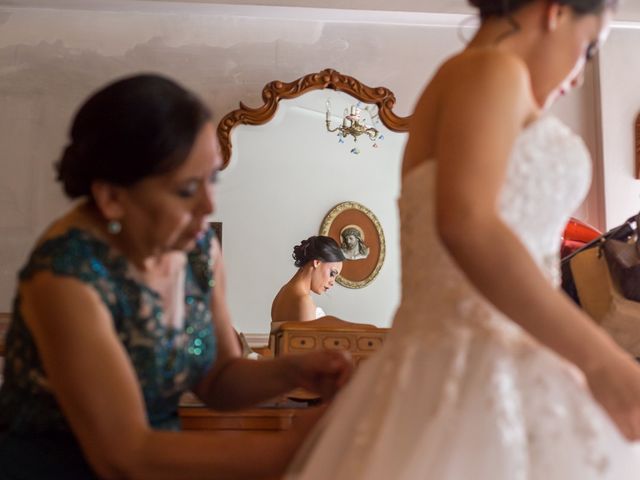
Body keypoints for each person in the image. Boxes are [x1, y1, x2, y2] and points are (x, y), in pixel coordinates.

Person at [286, 1, 640, 478]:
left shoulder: (463, 80)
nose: (579, 76)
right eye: (590, 45)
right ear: (555, 11)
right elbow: (467, 223)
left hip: (475, 368)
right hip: (478, 372)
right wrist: (601, 362)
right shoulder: (491, 70)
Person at [0, 74, 353, 479]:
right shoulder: (64, 276)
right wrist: (292, 450)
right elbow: (124, 454)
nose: (209, 205)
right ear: (112, 197)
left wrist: (295, 370)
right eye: (187, 189)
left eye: (212, 179)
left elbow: (219, 379)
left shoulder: (199, 251)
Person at [271, 236, 345, 329]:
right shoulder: (304, 301)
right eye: (332, 273)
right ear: (317, 262)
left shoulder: (283, 292)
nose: (332, 282)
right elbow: (309, 343)